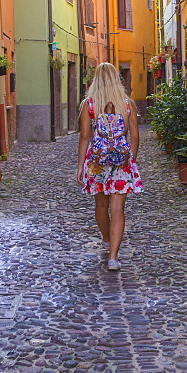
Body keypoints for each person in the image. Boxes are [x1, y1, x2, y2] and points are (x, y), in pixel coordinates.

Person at [76, 63, 143, 271]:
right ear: (117, 79)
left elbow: (85, 137)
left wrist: (80, 166)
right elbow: (135, 137)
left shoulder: (90, 104)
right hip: (121, 162)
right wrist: (130, 160)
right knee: (118, 209)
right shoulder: (127, 104)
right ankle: (113, 257)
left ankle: (106, 239)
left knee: (101, 207)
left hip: (97, 162)